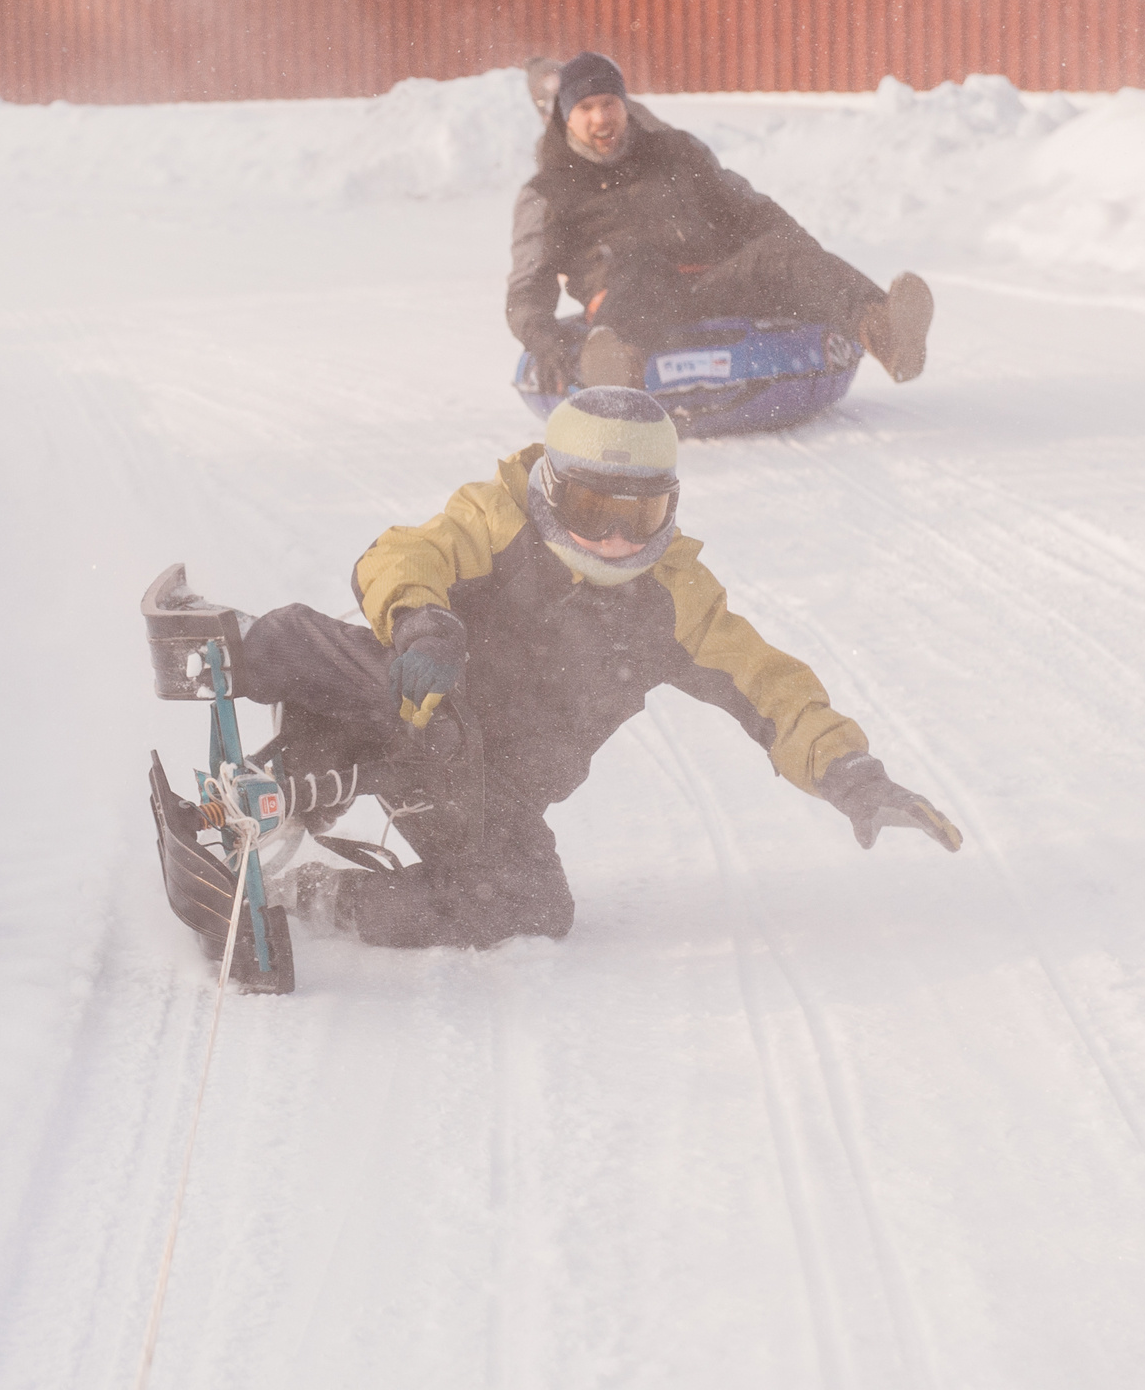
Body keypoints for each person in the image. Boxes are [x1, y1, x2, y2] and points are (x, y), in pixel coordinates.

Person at [235, 385, 959, 950]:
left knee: (530, 908)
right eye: (592, 509)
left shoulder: (674, 600)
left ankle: (322, 897)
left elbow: (768, 683)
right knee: (327, 653)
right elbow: (403, 554)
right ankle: (245, 679)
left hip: (479, 785)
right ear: (552, 489)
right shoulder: (500, 519)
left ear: (669, 510)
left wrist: (849, 772)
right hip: (408, 698)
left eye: (637, 518)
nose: (614, 539)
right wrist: (424, 622)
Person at [511, 52, 935, 394]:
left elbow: (755, 213)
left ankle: (888, 333)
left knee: (778, 250)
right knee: (639, 265)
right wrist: (548, 345)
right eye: (585, 108)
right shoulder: (549, 191)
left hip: (711, 288)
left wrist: (807, 262)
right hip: (629, 304)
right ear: (566, 117)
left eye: (608, 103)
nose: (600, 117)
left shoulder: (676, 153)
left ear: (625, 105)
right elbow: (528, 286)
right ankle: (616, 381)